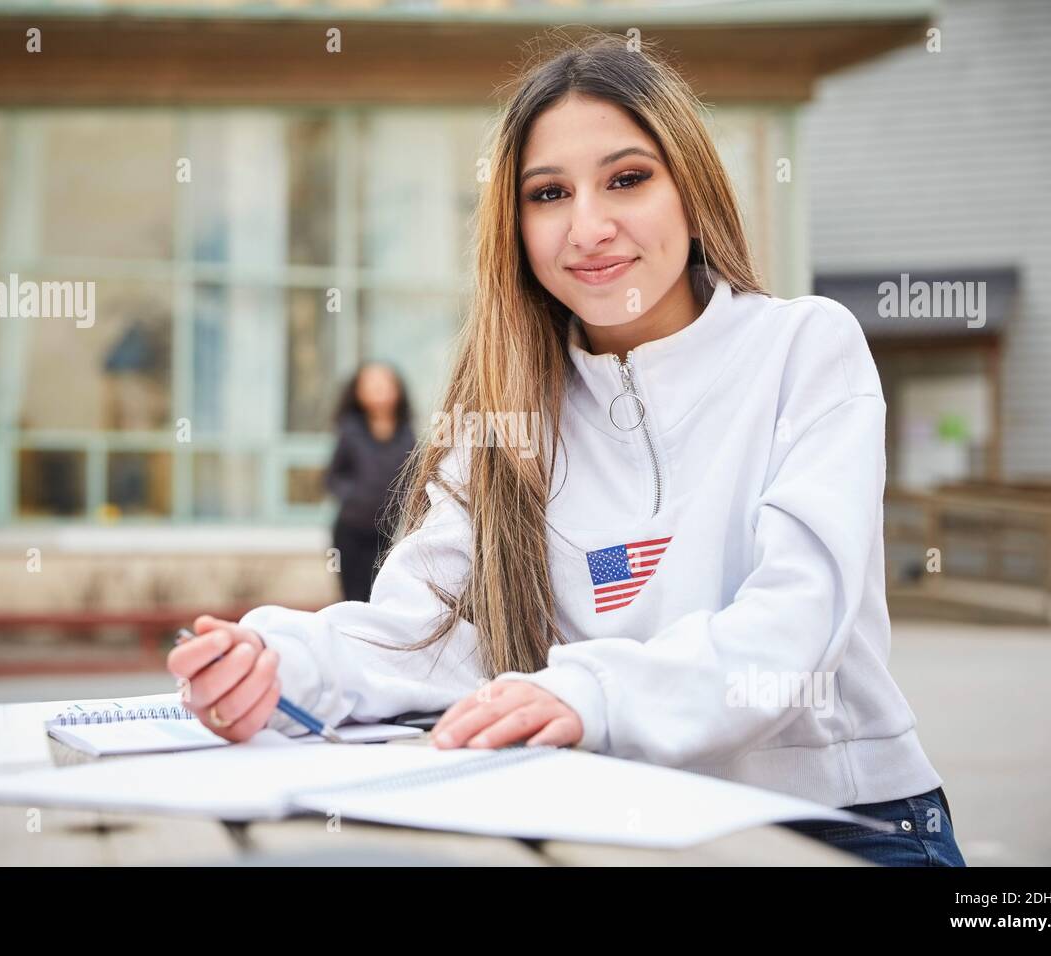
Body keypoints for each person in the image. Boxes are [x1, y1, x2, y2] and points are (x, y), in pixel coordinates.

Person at [168, 32, 966, 867]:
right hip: (614, 822)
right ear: (513, 226)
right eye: (548, 193)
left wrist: (591, 692)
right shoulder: (509, 413)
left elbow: (798, 620)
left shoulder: (805, 348)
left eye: (627, 178)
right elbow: (420, 631)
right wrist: (276, 663)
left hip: (839, 820)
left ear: (690, 188)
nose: (588, 227)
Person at [324, 363, 417, 602]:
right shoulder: (349, 431)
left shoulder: (408, 436)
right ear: (358, 392)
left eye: (384, 384)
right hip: (349, 532)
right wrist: (355, 496)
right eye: (371, 384)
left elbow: (413, 480)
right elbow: (333, 477)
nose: (378, 390)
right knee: (351, 598)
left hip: (386, 533)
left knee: (379, 596)